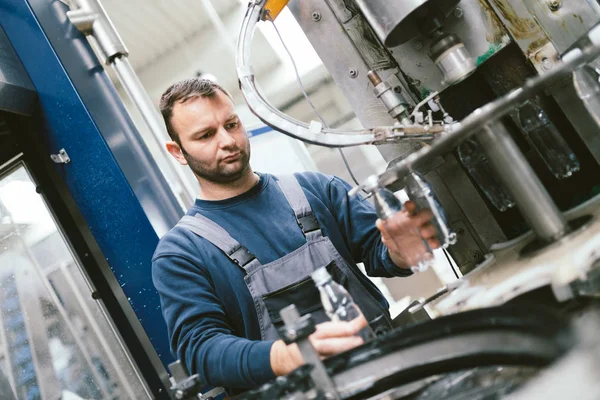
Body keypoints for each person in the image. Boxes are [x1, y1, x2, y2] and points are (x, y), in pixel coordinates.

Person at [151, 78, 438, 393]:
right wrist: (288, 356)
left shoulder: (316, 189)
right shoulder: (181, 253)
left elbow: (381, 253)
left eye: (231, 125)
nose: (227, 141)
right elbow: (201, 353)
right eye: (206, 135)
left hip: (395, 376)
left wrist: (402, 249)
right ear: (178, 152)